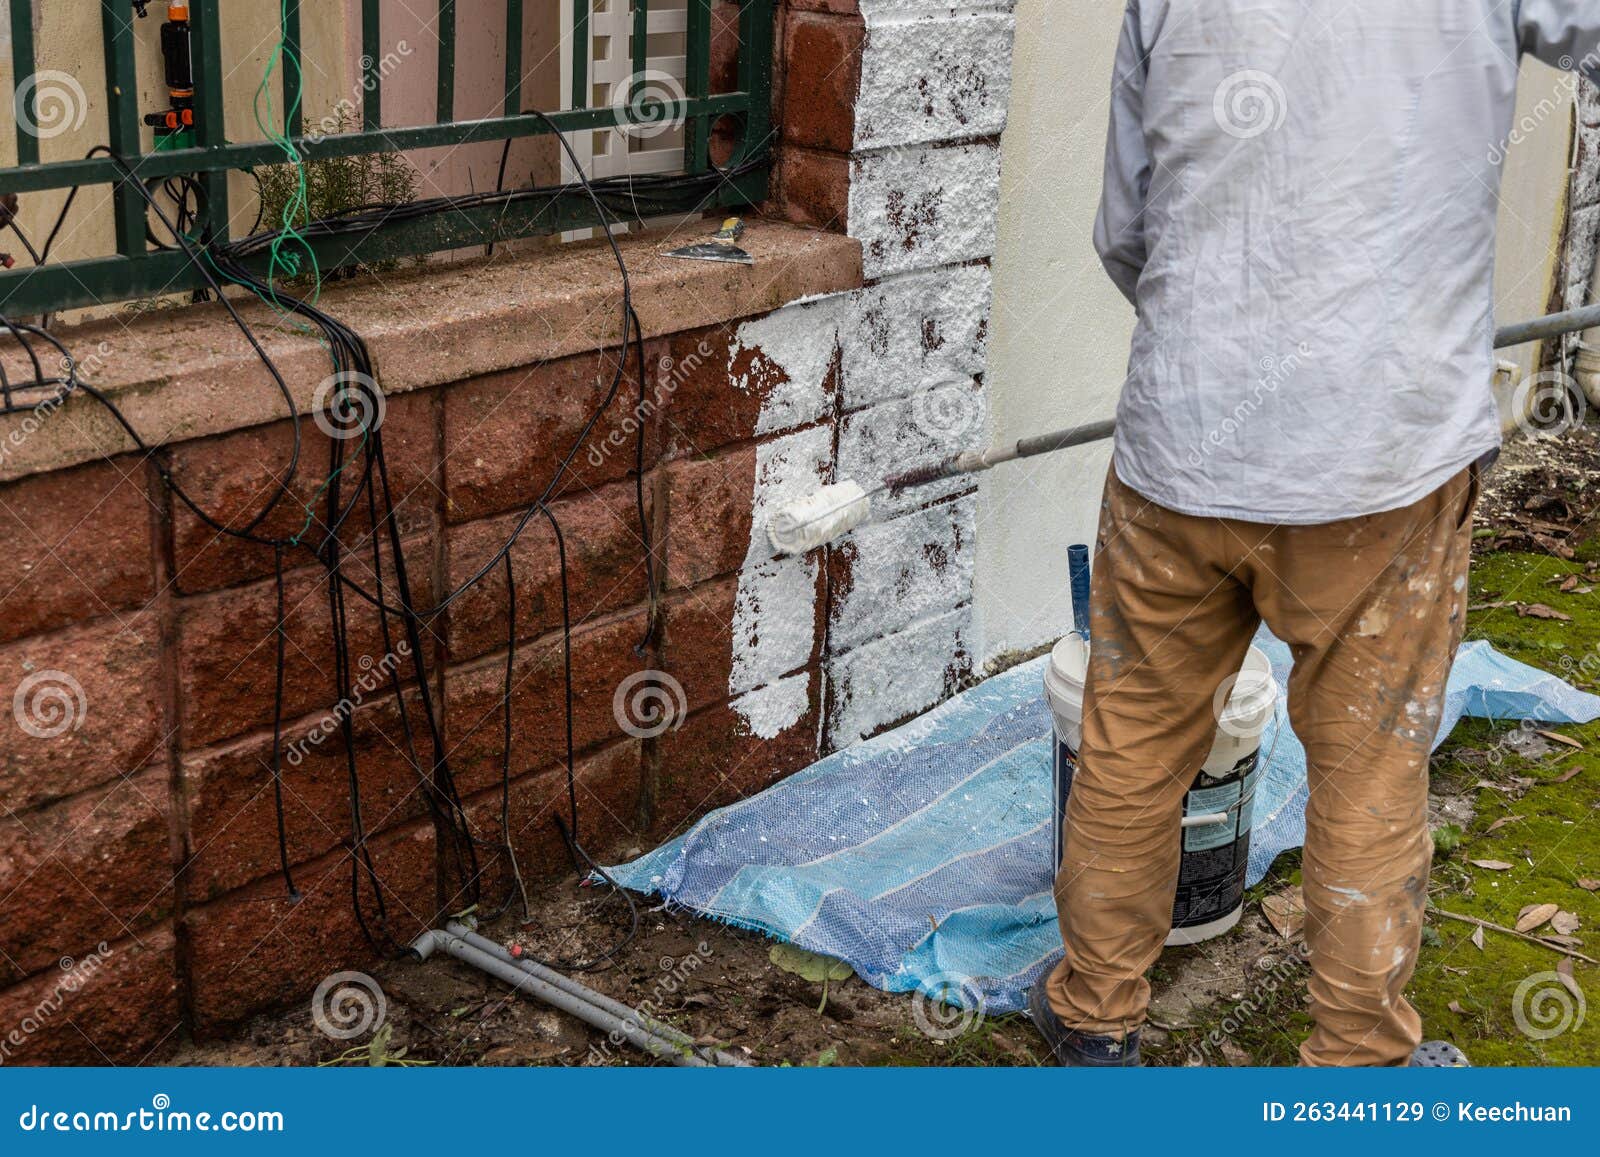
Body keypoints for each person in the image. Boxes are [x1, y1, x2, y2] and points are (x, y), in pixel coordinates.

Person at [1030, 0, 1600, 1067]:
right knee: (1369, 772)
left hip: (1182, 449)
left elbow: (1124, 226)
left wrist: (1207, 339)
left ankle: (1093, 1011)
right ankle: (1354, 1059)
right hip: (1383, 460)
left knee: (1132, 743)